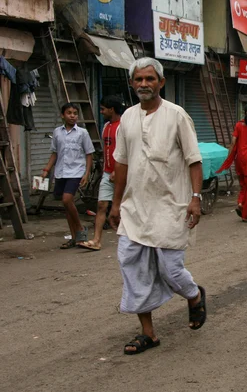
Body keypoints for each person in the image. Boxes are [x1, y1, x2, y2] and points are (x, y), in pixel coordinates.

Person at [109, 57, 206, 355]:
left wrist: (195, 198)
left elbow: (194, 160)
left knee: (170, 270)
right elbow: (121, 163)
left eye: (150, 79)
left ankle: (193, 296)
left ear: (161, 82)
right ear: (132, 83)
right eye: (138, 79)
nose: (144, 84)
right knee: (132, 266)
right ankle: (148, 333)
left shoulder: (177, 115)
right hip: (134, 209)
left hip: (170, 206)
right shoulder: (126, 118)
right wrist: (115, 203)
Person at [41, 103, 94, 249]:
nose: (72, 116)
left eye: (75, 113)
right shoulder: (57, 132)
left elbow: (89, 154)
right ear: (62, 115)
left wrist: (87, 173)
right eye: (69, 113)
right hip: (61, 172)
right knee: (66, 205)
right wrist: (46, 169)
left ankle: (80, 231)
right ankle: (74, 238)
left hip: (76, 171)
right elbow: (54, 153)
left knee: (67, 199)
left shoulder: (82, 133)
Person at [79, 96, 123, 251]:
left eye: (104, 108)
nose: (102, 111)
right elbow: (107, 149)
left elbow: (128, 151)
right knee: (101, 205)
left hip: (122, 174)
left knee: (125, 207)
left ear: (112, 109)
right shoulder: (106, 127)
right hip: (107, 173)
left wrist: (118, 170)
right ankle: (96, 240)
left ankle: (130, 241)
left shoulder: (123, 126)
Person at [219, 103, 247, 222]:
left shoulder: (238, 125)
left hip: (239, 160)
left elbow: (232, 143)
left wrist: (229, 157)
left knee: (243, 184)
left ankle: (241, 203)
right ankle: (245, 216)